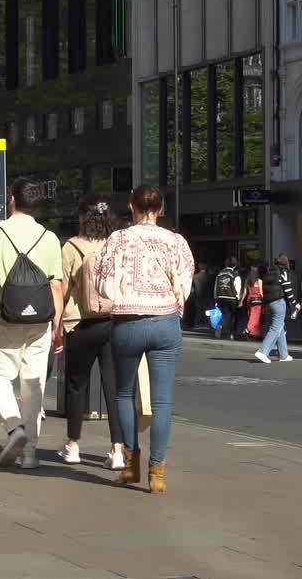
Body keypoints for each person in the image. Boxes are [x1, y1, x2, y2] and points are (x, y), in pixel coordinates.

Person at [97, 185, 194, 494]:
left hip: (128, 323)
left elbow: (103, 284)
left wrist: (123, 294)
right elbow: (185, 282)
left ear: (132, 206)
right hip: (165, 323)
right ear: (160, 209)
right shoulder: (176, 241)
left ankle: (130, 465)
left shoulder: (118, 239)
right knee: (162, 400)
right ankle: (157, 473)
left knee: (124, 394)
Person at [0, 177, 66, 469]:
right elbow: (56, 286)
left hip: (7, 317)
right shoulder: (49, 238)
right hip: (41, 321)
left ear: (12, 200)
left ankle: (14, 427)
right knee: (33, 383)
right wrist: (57, 327)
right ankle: (30, 454)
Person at [59, 194, 125, 470]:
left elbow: (62, 289)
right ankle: (117, 450)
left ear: (82, 217)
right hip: (114, 321)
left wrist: (56, 325)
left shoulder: (72, 246)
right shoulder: (117, 244)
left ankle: (73, 445)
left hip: (79, 323)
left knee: (76, 385)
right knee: (114, 387)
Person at [255, 254, 297, 364]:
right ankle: (263, 351)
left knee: (280, 328)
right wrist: (294, 303)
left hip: (269, 302)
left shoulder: (269, 272)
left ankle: (283, 354)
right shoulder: (283, 272)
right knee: (276, 328)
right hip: (279, 302)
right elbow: (288, 289)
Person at [212, 257, 244, 339]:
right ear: (235, 265)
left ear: (226, 264)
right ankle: (231, 333)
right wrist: (239, 298)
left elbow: (215, 286)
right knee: (233, 315)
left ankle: (221, 326)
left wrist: (215, 297)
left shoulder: (219, 274)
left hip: (220, 297)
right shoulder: (235, 275)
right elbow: (238, 287)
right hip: (231, 297)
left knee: (224, 314)